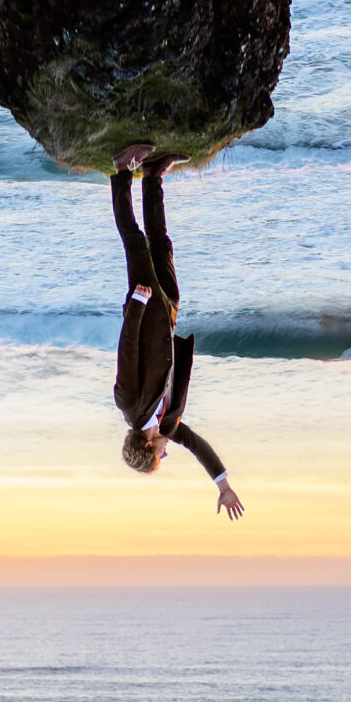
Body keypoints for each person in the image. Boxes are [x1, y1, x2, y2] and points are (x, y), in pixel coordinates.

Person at [111, 145, 245, 520]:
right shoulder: (168, 424)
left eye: (161, 456)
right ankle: (153, 174)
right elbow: (199, 446)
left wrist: (136, 305)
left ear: (149, 446)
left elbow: (128, 350)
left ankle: (122, 170)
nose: (168, 452)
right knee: (161, 242)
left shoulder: (129, 404)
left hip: (145, 304)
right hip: (167, 314)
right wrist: (223, 485)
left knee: (135, 240)